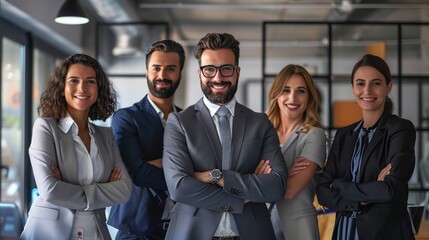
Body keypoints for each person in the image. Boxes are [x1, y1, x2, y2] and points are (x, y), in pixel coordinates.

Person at [162, 32, 288, 240]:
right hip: (192, 233)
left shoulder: (260, 123)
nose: (218, 77)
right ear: (200, 73)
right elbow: (179, 188)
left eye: (226, 69)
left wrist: (217, 177)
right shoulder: (180, 123)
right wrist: (245, 194)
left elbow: (276, 186)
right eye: (209, 69)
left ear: (237, 72)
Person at [20, 54, 132, 240]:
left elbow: (124, 190)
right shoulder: (45, 127)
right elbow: (50, 190)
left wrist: (67, 188)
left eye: (90, 81)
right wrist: (103, 188)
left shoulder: (105, 135)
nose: (82, 88)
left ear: (98, 89)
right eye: (74, 80)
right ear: (62, 88)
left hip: (95, 231)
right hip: (49, 231)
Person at [316, 54, 416, 240]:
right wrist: (366, 194)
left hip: (385, 233)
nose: (367, 90)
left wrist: (338, 185)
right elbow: (322, 191)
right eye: (360, 83)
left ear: (389, 87)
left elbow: (389, 190)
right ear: (353, 88)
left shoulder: (400, 129)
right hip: (344, 232)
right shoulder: (344, 135)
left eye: (376, 83)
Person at [107, 39, 185, 240]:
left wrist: (160, 164)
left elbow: (205, 164)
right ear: (147, 72)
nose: (162, 75)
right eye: (156, 68)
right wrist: (186, 172)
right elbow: (136, 173)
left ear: (180, 74)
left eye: (170, 69)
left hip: (183, 227)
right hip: (138, 229)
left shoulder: (190, 120)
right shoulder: (126, 118)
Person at [266, 64, 326, 240]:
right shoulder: (261, 132)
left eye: (301, 91)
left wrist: (263, 180)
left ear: (309, 97)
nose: (293, 98)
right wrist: (287, 171)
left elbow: (291, 190)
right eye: (286, 90)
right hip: (260, 225)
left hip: (299, 230)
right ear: (276, 94)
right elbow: (244, 177)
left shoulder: (315, 135)